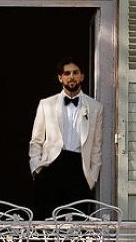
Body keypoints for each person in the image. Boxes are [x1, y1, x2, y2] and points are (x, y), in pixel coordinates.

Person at [29, 58, 101, 217]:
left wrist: (92, 176)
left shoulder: (95, 107)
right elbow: (36, 141)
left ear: (82, 76)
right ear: (60, 78)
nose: (71, 76)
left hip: (78, 168)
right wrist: (36, 168)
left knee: (76, 222)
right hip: (52, 165)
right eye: (67, 73)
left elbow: (96, 146)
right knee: (46, 221)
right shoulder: (46, 104)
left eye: (75, 73)